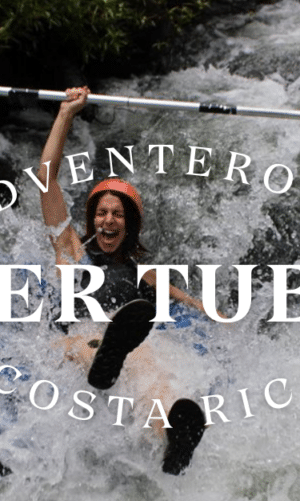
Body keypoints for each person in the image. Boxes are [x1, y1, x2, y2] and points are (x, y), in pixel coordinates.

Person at [35, 86, 209, 475]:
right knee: (87, 342)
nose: (108, 220)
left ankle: (171, 438)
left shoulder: (139, 271)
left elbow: (185, 298)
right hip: (75, 336)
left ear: (128, 225)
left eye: (117, 214)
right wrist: (66, 114)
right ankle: (104, 361)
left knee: (154, 372)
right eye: (102, 213)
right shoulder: (70, 250)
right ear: (91, 219)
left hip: (124, 334)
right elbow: (46, 179)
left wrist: (211, 311)